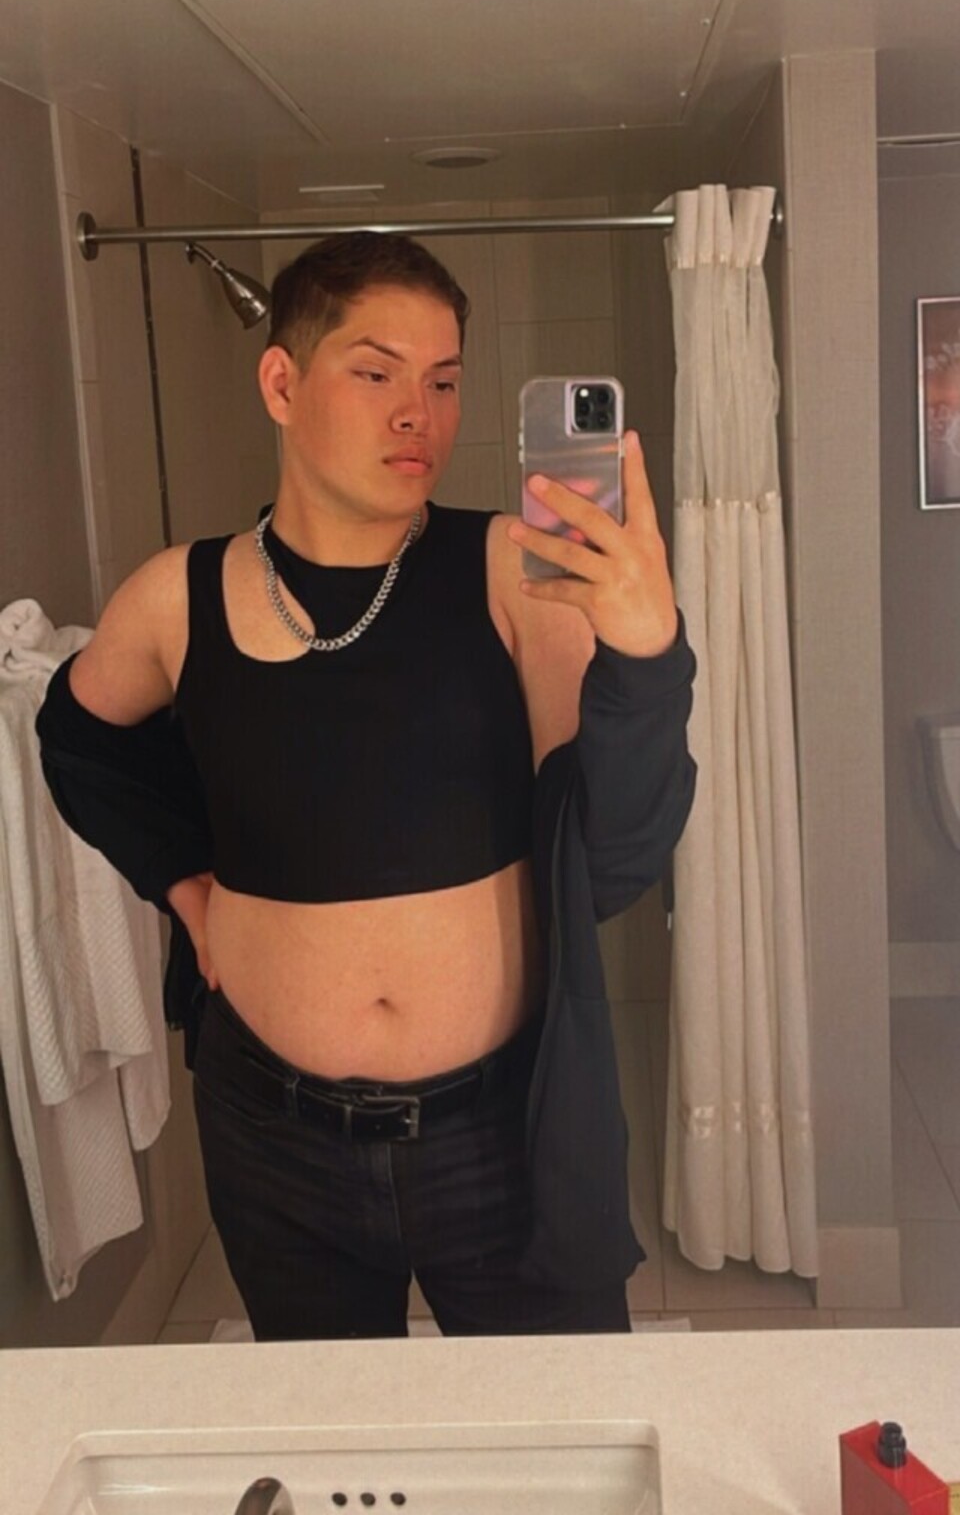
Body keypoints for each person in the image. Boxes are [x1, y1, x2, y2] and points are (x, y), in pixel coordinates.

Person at [36, 231, 697, 1339]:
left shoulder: (510, 575)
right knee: (336, 1429)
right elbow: (75, 737)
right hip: (273, 1139)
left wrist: (646, 653)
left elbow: (619, 858)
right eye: (376, 373)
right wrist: (184, 883)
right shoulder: (177, 597)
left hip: (500, 1133)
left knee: (551, 1427)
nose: (417, 415)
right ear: (281, 383)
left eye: (442, 382)